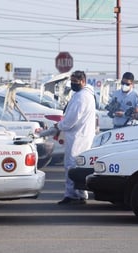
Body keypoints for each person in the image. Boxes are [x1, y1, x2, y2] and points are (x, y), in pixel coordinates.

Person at [54, 70, 96, 205]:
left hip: (78, 136)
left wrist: (59, 126)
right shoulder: (82, 94)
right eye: (71, 82)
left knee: (71, 165)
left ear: (83, 81)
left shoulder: (81, 97)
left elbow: (72, 119)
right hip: (80, 135)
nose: (73, 84)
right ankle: (79, 194)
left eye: (75, 82)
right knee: (78, 165)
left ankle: (72, 194)